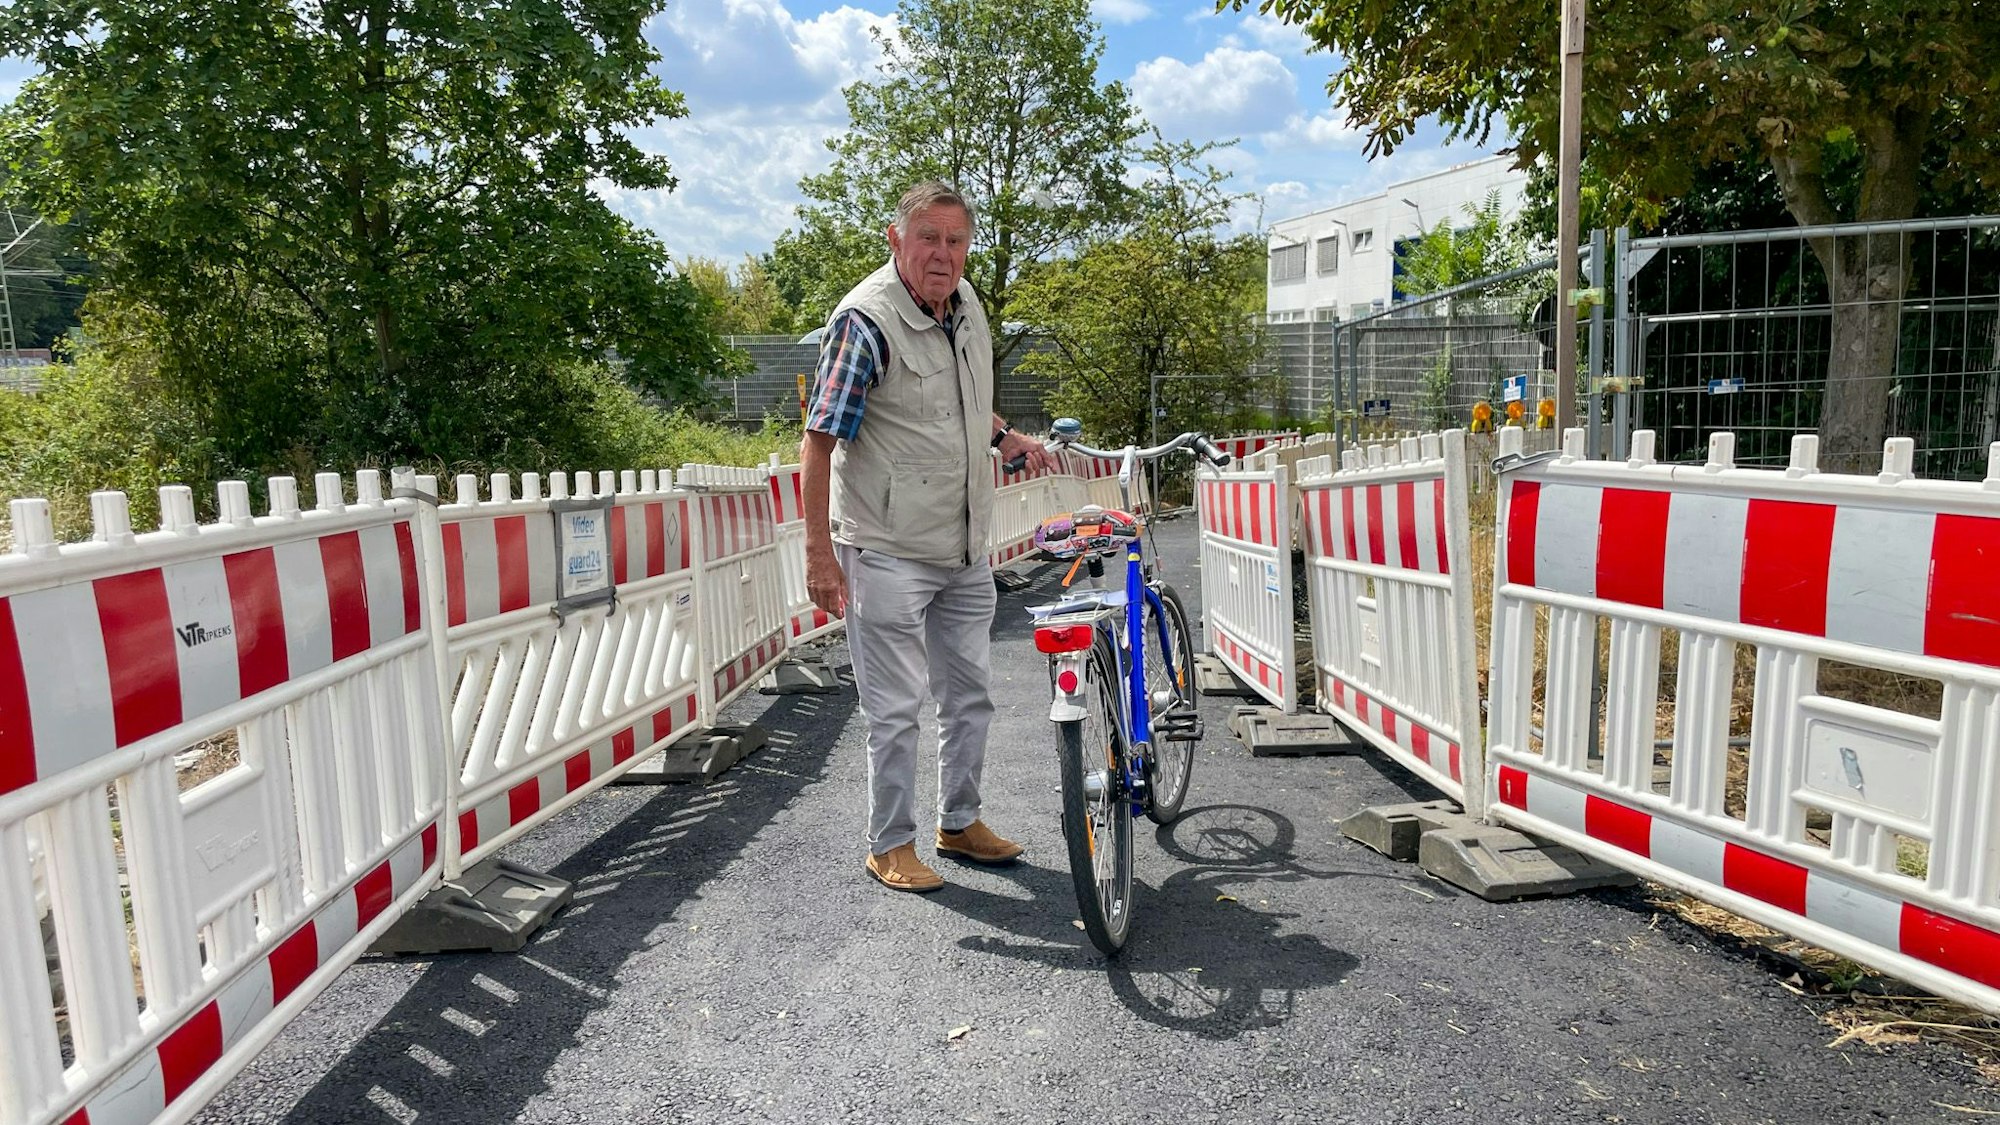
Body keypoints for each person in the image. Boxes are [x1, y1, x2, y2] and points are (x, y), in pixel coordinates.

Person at [799, 181, 1055, 893]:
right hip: (885, 549)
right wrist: (820, 553)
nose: (943, 254)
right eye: (929, 238)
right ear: (895, 238)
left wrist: (1005, 435)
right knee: (895, 707)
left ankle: (960, 820)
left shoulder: (965, 305)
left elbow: (958, 404)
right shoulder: (866, 321)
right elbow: (818, 442)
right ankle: (890, 843)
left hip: (962, 547)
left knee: (970, 695)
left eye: (956, 240)